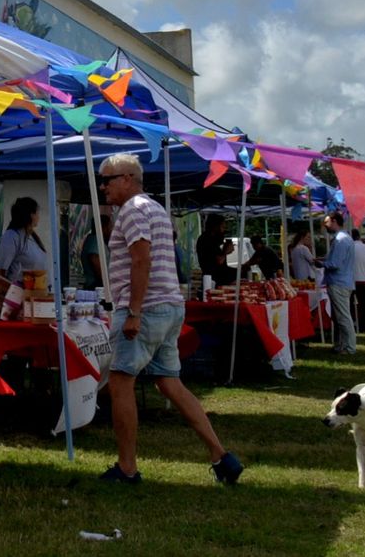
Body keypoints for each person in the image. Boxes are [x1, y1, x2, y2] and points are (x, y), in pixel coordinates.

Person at [93, 153, 242, 486]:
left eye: (107, 180)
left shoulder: (131, 211)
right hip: (170, 307)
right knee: (169, 382)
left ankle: (127, 468)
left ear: (128, 179)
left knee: (120, 382)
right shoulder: (155, 208)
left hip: (145, 310)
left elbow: (140, 260)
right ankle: (222, 457)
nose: (103, 186)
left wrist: (133, 311)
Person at [321, 213, 357, 354]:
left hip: (339, 282)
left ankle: (349, 347)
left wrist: (321, 263)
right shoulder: (344, 238)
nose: (325, 225)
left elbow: (335, 263)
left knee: (343, 317)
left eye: (327, 222)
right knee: (338, 317)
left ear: (334, 221)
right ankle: (340, 345)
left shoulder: (341, 240)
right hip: (342, 281)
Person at [0, 196, 48, 286]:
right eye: (37, 213)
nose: (38, 217)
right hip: (18, 294)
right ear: (31, 215)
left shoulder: (30, 236)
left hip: (36, 293)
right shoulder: (11, 237)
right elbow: (0, 272)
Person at [195, 212, 236, 286]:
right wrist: (226, 251)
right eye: (222, 227)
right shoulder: (206, 240)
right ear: (215, 227)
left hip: (216, 280)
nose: (224, 230)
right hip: (212, 282)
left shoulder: (210, 239)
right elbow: (219, 261)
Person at [351, 229, 365, 332]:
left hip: (352, 279)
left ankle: (354, 322)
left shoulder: (350, 247)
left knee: (351, 303)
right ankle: (364, 323)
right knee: (364, 304)